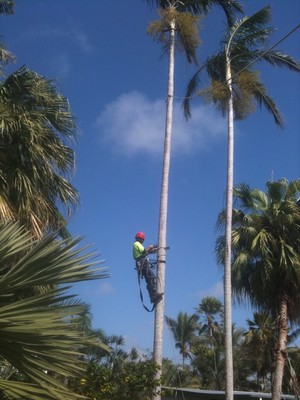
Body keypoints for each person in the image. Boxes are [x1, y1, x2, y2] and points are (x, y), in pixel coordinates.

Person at [133, 232, 163, 304]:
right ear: (138, 238)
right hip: (142, 263)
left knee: (149, 278)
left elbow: (145, 253)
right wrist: (151, 246)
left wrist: (154, 250)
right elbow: (144, 251)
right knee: (151, 277)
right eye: (142, 239)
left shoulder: (138, 245)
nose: (143, 241)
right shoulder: (136, 244)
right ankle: (153, 295)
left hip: (141, 263)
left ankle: (152, 297)